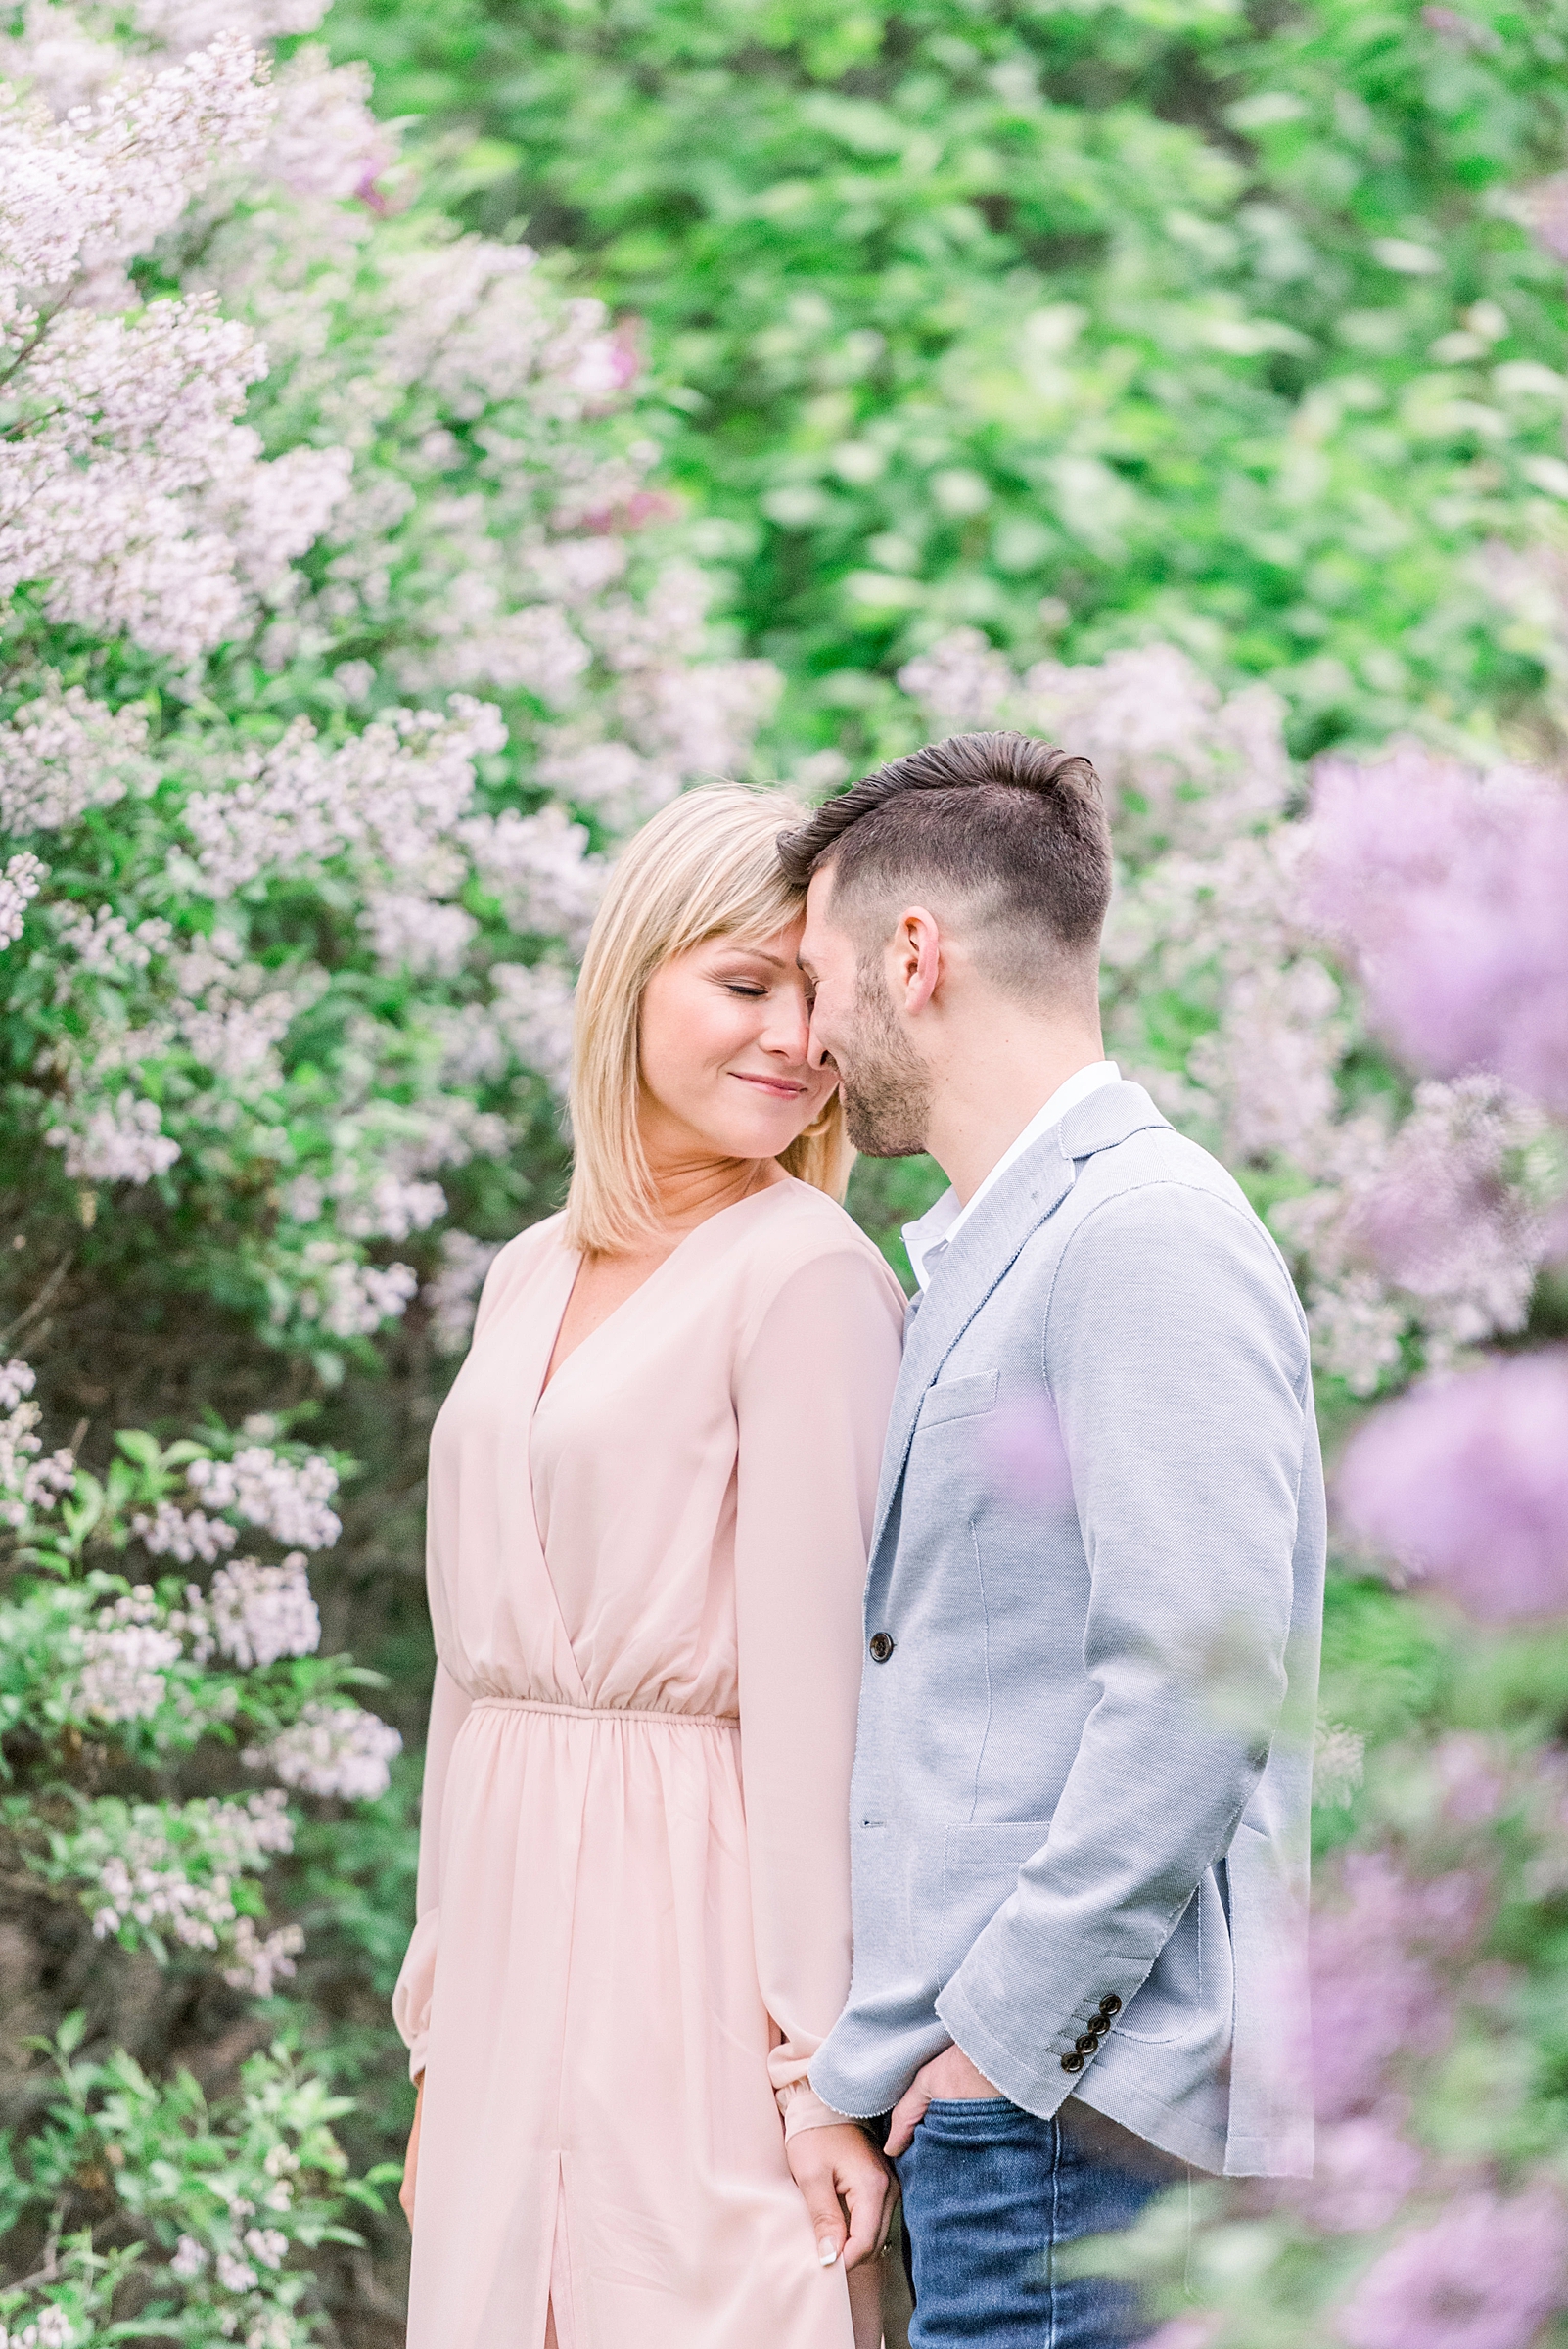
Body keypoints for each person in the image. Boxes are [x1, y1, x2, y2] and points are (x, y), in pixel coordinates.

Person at [783, 732, 1327, 2348]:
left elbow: (1197, 1688)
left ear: (912, 955)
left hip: (1076, 2126)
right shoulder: (994, 1249)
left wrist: (997, 2046)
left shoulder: (1142, 1232)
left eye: (813, 981)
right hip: (1012, 2127)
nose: (807, 1038)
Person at [393, 786, 907, 2349]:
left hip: (696, 1940)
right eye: (744, 985)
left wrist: (809, 2073)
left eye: (817, 1002)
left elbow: (824, 1706)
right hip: (500, 1944)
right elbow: (463, 1685)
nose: (792, 1042)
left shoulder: (810, 1273)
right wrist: (435, 2043)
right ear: (632, 979)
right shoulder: (524, 1270)